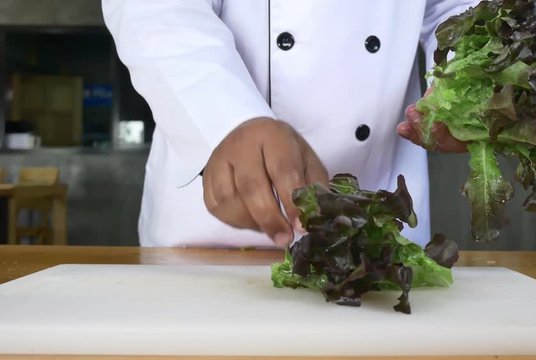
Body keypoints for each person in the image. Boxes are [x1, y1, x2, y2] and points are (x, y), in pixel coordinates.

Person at [102, 0, 475, 249]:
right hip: (212, 236)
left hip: (380, 219)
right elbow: (157, 10)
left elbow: (456, 7)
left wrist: (467, 78)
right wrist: (223, 117)